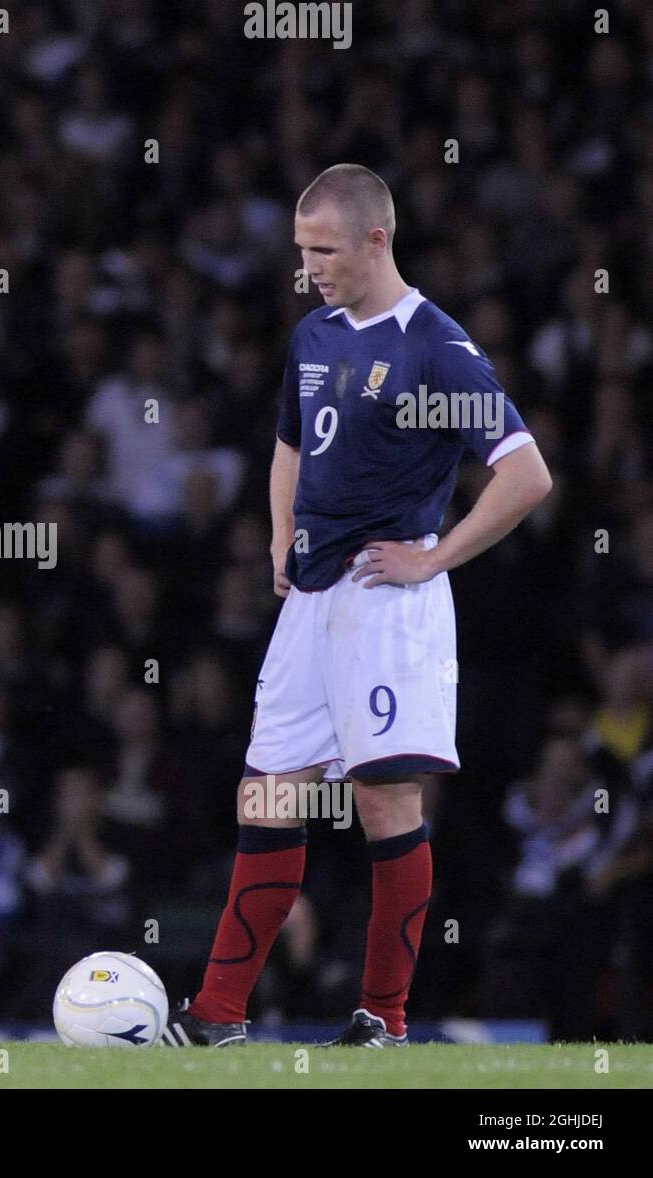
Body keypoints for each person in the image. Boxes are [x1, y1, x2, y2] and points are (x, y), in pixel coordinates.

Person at [163, 164, 553, 1048]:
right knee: (267, 793)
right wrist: (277, 534)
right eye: (302, 252)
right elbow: (288, 447)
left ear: (377, 240)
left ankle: (386, 1017)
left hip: (387, 598)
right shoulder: (314, 335)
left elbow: (526, 475)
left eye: (324, 251)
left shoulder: (435, 347)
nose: (309, 269)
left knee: (384, 803)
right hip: (312, 596)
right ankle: (219, 1013)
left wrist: (434, 558)